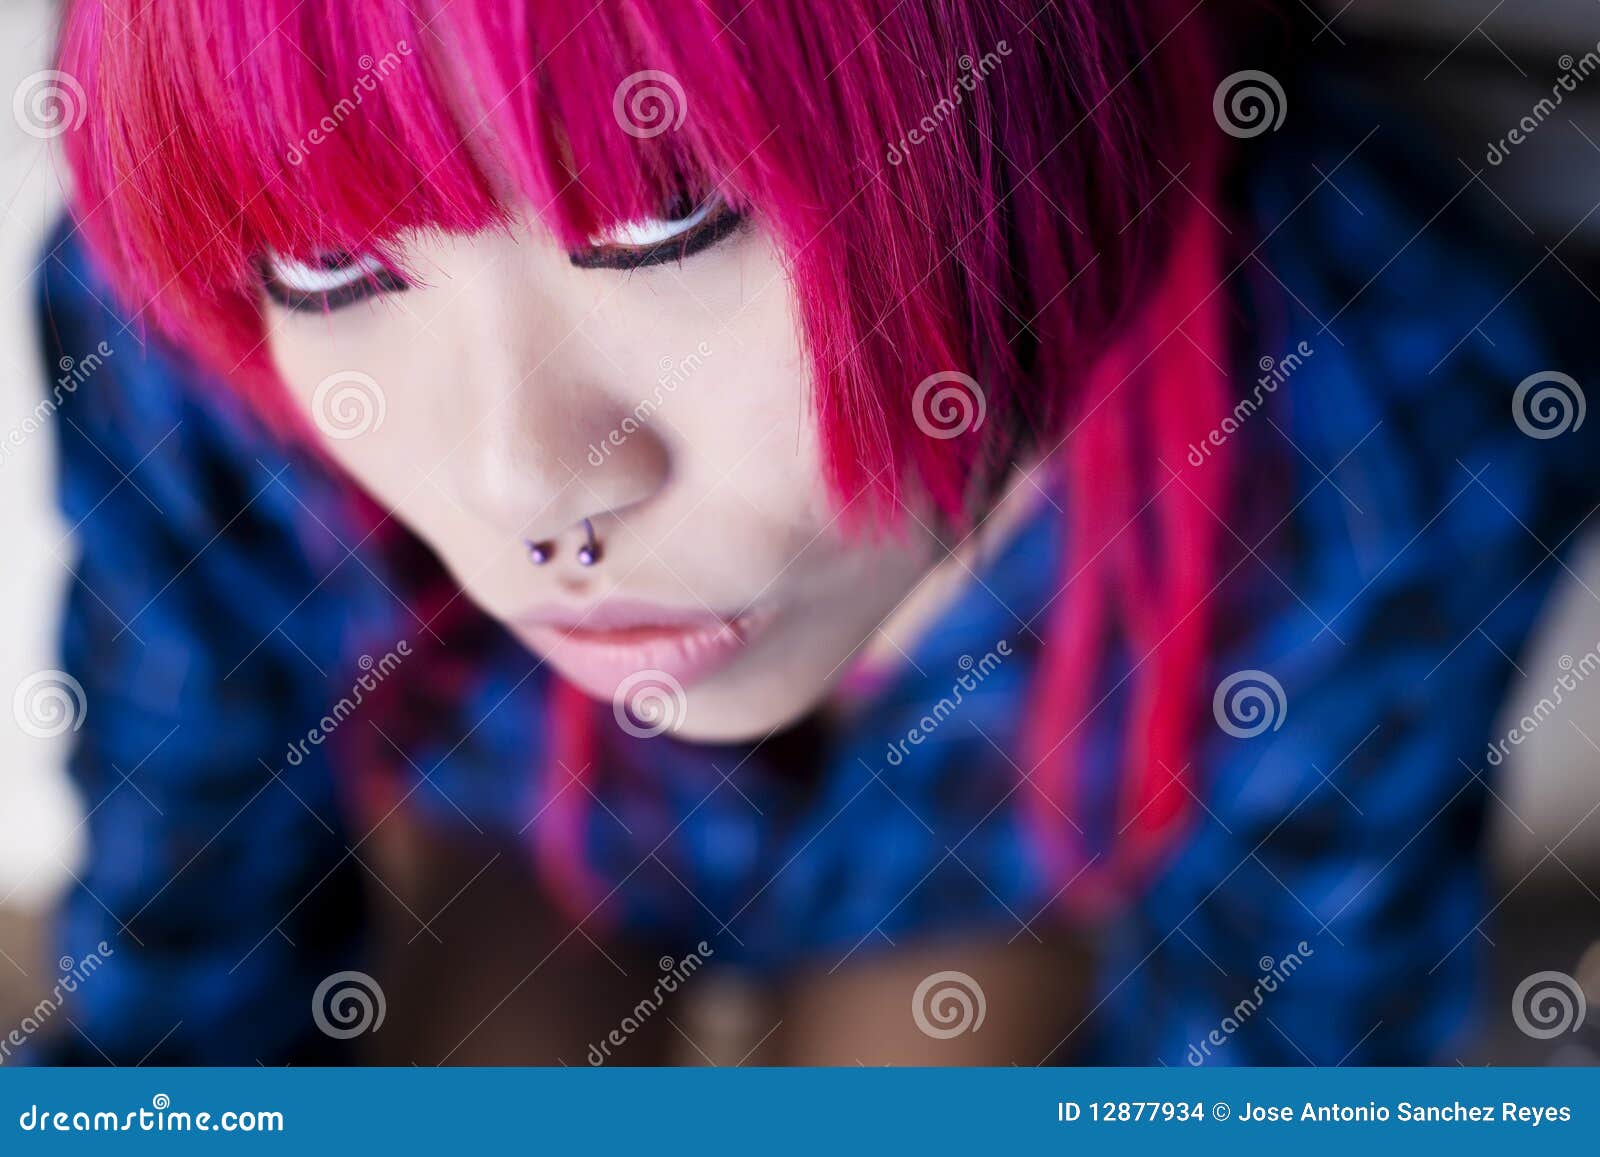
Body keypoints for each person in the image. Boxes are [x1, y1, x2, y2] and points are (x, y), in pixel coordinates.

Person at [34, 0, 1597, 1064]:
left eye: (668, 214)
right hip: (511, 814)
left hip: (986, 865)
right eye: (327, 266)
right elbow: (186, 914)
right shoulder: (176, 338)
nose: (520, 485)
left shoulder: (1391, 400)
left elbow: (1285, 1034)